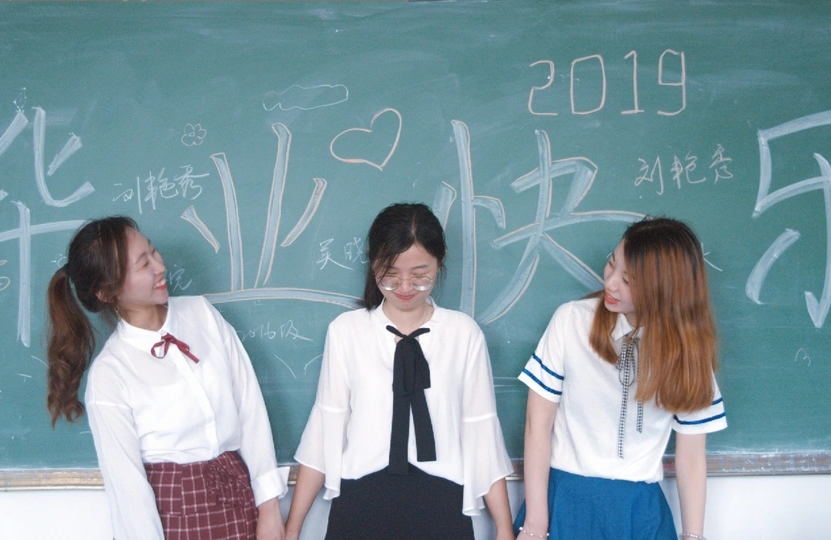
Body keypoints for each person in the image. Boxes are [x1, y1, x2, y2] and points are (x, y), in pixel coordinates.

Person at [46, 216, 288, 540]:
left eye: (153, 252)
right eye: (143, 264)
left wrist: (269, 507)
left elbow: (249, 407)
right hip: (174, 511)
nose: (160, 267)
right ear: (107, 291)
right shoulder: (111, 372)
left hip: (237, 493)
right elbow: (128, 488)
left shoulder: (201, 314)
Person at [283, 203, 515, 540]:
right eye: (390, 274)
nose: (405, 286)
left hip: (441, 505)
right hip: (361, 504)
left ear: (441, 260)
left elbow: (482, 432)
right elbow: (325, 429)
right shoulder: (347, 331)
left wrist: (505, 529)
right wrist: (292, 529)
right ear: (372, 259)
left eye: (420, 275)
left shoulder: (463, 334)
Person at [515, 217, 726, 540]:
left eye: (628, 280)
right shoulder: (572, 321)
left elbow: (692, 455)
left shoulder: (688, 353)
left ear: (664, 290)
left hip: (639, 512)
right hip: (566, 501)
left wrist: (693, 536)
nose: (610, 283)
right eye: (611, 263)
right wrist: (535, 525)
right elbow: (537, 425)